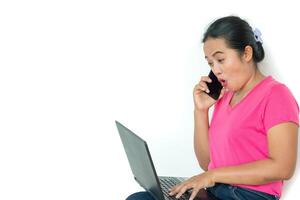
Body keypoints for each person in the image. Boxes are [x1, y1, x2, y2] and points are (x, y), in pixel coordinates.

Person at [126, 16, 299, 200]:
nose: (215, 70)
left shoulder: (276, 95)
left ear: (246, 54)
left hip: (249, 196)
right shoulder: (225, 98)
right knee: (140, 198)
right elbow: (207, 163)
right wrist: (200, 111)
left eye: (220, 60)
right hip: (217, 192)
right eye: (210, 63)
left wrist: (212, 176)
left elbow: (283, 167)